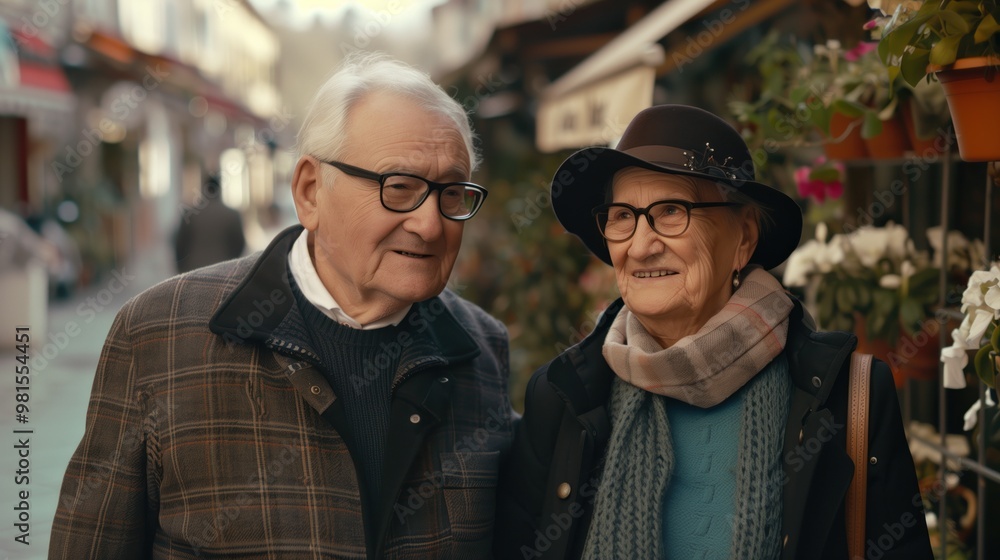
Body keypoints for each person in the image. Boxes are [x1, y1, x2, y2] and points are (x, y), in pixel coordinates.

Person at [50, 54, 514, 560]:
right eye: (398, 188)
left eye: (452, 193)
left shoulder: (481, 350)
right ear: (310, 191)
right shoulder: (158, 334)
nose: (430, 224)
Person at [494, 105, 932, 560]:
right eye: (622, 215)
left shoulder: (843, 395)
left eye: (671, 211)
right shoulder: (562, 396)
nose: (641, 246)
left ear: (743, 237)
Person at [173, 175, 247, 273]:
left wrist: (181, 268)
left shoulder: (190, 214)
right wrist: (231, 261)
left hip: (194, 270)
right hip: (223, 269)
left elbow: (180, 244)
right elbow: (240, 243)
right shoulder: (231, 215)